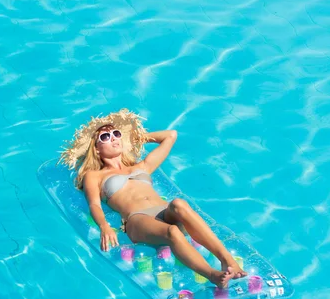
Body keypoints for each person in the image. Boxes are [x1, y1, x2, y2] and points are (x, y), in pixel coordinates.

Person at [59, 109, 246, 288]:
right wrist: (104, 226)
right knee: (173, 232)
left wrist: (134, 139)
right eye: (105, 137)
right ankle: (212, 274)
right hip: (137, 220)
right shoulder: (95, 176)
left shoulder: (143, 166)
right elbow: (94, 204)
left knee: (179, 204)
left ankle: (228, 261)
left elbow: (170, 135)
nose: (113, 138)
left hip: (163, 210)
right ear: (97, 149)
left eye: (116, 134)